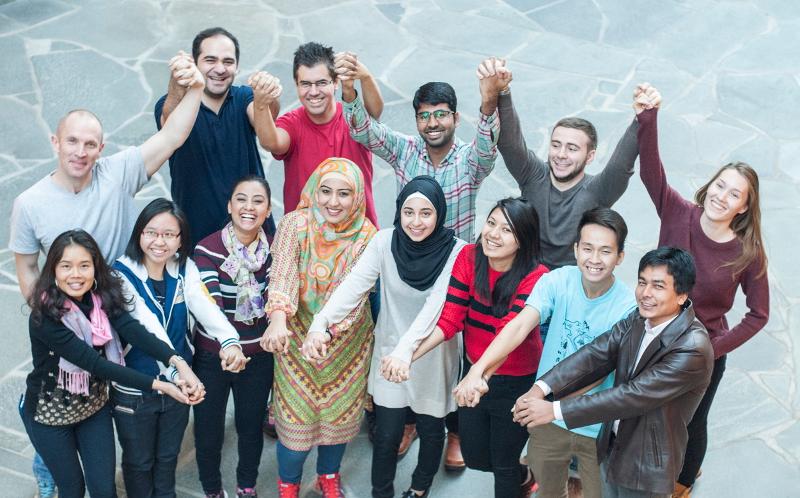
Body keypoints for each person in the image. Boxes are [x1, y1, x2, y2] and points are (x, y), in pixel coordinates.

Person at [9, 57, 205, 497]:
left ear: (102, 147)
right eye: (72, 141)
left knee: (102, 393)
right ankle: (50, 463)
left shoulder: (117, 174)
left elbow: (173, 136)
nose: (80, 152)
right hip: (66, 319)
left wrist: (195, 87)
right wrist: (51, 315)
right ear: (55, 142)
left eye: (90, 144)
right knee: (60, 390)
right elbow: (26, 266)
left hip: (111, 308)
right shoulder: (30, 204)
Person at [635, 85, 770, 498]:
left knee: (691, 423)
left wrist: (715, 348)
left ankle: (683, 483)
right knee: (643, 410)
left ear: (743, 207)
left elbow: (759, 314)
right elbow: (651, 173)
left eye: (734, 194)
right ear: (709, 185)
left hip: (700, 352)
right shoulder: (677, 212)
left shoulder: (747, 252)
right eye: (720, 185)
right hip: (652, 337)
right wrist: (648, 117)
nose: (721, 196)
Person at [452, 207, 636, 498]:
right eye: (587, 248)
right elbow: (518, 326)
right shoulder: (557, 281)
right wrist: (477, 370)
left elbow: (601, 368)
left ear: (620, 256)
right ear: (575, 249)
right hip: (547, 419)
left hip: (594, 423)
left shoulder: (628, 307)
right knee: (548, 491)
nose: (594, 259)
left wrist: (548, 402)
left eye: (605, 251)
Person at [304, 176, 466, 498]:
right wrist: (319, 324)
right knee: (386, 435)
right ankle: (382, 492)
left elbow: (434, 308)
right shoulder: (384, 242)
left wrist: (405, 353)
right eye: (409, 212)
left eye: (426, 213)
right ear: (399, 211)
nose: (416, 222)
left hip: (433, 355)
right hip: (390, 353)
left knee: (432, 430)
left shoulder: (458, 251)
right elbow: (353, 287)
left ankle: (419, 489)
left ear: (439, 214)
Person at [515, 247, 715, 498]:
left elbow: (633, 395)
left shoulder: (693, 348)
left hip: (645, 464)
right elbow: (596, 353)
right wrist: (541, 388)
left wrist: (554, 410)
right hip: (611, 444)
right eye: (642, 282)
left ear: (682, 295)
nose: (646, 293)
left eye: (658, 286)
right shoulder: (639, 318)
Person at [384, 197, 548, 498]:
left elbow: (509, 333)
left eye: (507, 230)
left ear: (523, 240)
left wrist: (478, 374)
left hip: (517, 381)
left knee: (504, 464)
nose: (493, 234)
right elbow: (450, 319)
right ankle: (523, 475)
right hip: (474, 369)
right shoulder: (469, 257)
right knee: (474, 456)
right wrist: (407, 355)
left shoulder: (538, 277)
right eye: (491, 223)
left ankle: (518, 477)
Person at [20, 229, 203, 498]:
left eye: (84, 265)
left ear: (95, 268)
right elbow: (96, 364)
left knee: (104, 490)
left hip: (93, 408)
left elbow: (133, 330)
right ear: (54, 270)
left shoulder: (101, 298)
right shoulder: (46, 315)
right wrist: (163, 386)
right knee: (72, 489)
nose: (75, 275)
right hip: (49, 414)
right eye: (66, 266)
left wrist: (176, 361)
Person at [112, 199, 247, 498]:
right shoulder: (120, 275)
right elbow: (149, 329)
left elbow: (205, 306)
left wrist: (230, 341)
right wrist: (179, 373)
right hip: (136, 390)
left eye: (169, 234)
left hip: (179, 388)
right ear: (139, 233)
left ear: (181, 239)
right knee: (138, 463)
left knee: (167, 459)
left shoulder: (185, 267)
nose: (159, 242)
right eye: (151, 232)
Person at [260, 158, 377, 498]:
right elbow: (282, 274)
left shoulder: (367, 236)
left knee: (339, 422)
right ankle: (288, 485)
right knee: (294, 424)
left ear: (357, 197)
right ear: (314, 190)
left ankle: (328, 476)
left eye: (344, 193)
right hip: (295, 342)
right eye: (325, 191)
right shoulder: (294, 224)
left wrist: (326, 331)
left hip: (346, 345)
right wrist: (278, 320)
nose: (333, 202)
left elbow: (353, 295)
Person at [476, 58, 650, 269]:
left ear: (590, 156)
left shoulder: (597, 191)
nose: (561, 154)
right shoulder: (534, 175)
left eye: (572, 148)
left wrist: (640, 119)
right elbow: (511, 144)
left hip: (568, 282)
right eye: (556, 145)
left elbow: (620, 167)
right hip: (523, 275)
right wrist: (503, 92)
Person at [343, 58, 500, 243]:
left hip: (454, 258)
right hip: (407, 256)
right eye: (424, 116)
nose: (432, 123)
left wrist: (489, 100)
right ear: (417, 120)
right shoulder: (404, 150)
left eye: (441, 114)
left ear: (456, 119)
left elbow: (486, 149)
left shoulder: (469, 161)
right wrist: (349, 90)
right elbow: (364, 131)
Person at [155, 27, 280, 246]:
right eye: (210, 60)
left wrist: (267, 96)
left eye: (228, 62)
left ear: (237, 66)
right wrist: (177, 86)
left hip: (254, 231)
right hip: (198, 234)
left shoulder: (244, 97)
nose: (220, 69)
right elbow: (168, 125)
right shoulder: (173, 104)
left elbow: (266, 121)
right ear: (195, 63)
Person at [192, 176, 276, 498]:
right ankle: (213, 489)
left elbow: (278, 300)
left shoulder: (276, 251)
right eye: (241, 199)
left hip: (258, 357)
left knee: (250, 427)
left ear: (268, 210)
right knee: (208, 430)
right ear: (229, 206)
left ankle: (246, 486)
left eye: (258, 201)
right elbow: (209, 303)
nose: (248, 207)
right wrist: (229, 345)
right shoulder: (207, 249)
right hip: (213, 356)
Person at [250, 43, 383, 224]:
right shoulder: (292, 123)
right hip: (304, 235)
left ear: (335, 83)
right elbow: (271, 143)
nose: (313, 92)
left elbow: (375, 113)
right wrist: (260, 104)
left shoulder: (353, 116)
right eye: (305, 84)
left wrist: (366, 77)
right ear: (296, 85)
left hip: (358, 233)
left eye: (321, 83)